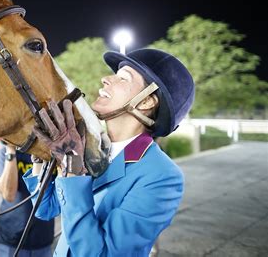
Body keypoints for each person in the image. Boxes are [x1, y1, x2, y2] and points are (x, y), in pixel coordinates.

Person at [23, 48, 195, 256]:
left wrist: (74, 170)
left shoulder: (162, 177)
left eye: (123, 78)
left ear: (146, 101)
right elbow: (45, 209)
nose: (105, 79)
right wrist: (39, 155)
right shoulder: (88, 146)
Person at [0, 141, 55, 257]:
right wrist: (11, 151)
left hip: (43, 238)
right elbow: (9, 194)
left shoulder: (48, 151)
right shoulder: (7, 149)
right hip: (12, 238)